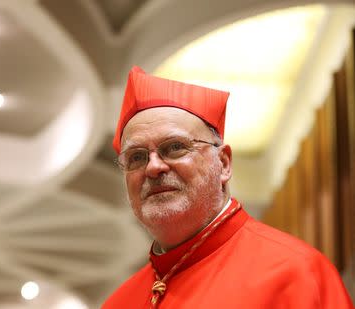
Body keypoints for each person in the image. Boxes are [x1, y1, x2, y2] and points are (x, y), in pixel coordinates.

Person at [102, 66, 353, 308]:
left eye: (175, 147)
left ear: (223, 164)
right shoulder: (118, 303)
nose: (153, 167)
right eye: (136, 157)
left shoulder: (296, 273)